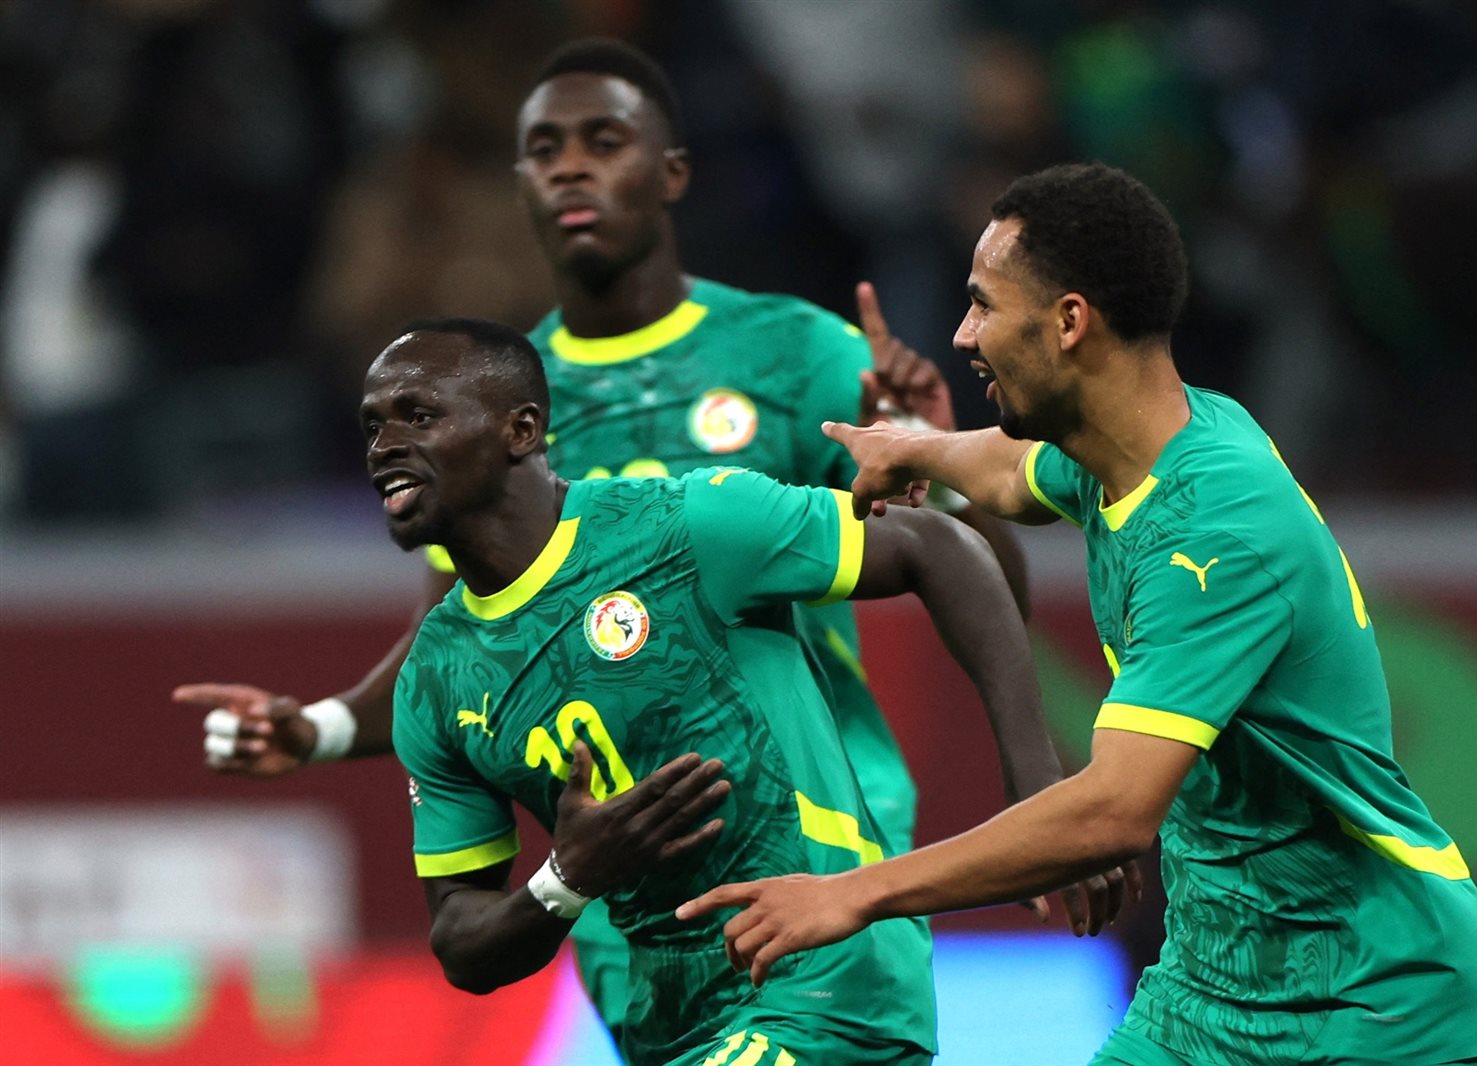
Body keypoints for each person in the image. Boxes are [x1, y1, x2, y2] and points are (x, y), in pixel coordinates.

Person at [172, 37, 1086, 1044]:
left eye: (602, 142)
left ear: (671, 172)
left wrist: (940, 459)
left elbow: (954, 557)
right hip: (624, 897)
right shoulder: (475, 396)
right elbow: (467, 640)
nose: (570, 168)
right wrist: (322, 727)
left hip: (812, 821)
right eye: (544, 150)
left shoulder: (795, 353)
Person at [679, 163, 1477, 1066]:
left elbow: (1113, 813)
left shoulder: (1214, 530)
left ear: (1070, 321)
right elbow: (1010, 472)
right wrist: (912, 447)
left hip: (1373, 1000)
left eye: (983, 305)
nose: (962, 335)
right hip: (1215, 989)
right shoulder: (1136, 444)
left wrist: (855, 893)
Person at [361, 317, 1067, 1065]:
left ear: (521, 429)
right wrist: (565, 880)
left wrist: (1036, 783)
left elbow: (938, 546)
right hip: (672, 1019)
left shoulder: (684, 525)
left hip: (823, 977)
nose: (384, 446)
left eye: (418, 416)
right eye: (373, 426)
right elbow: (462, 942)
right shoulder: (436, 679)